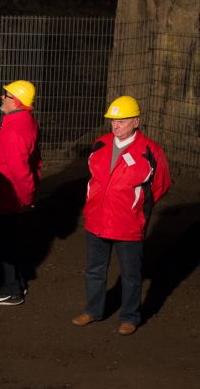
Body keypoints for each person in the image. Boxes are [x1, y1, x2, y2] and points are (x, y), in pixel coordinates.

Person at [72, 95, 170, 336]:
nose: (116, 126)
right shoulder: (101, 144)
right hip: (96, 219)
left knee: (130, 274)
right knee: (94, 269)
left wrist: (135, 206)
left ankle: (129, 317)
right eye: (113, 121)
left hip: (128, 223)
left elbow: (161, 184)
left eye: (122, 121)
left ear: (136, 122)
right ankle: (94, 310)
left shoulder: (150, 151)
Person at [0, 80, 42, 306]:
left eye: (6, 95)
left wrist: (27, 198)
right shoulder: (21, 122)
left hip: (5, 196)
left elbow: (20, 171)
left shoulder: (14, 131)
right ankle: (17, 283)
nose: (2, 98)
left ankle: (10, 290)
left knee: (3, 244)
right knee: (9, 241)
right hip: (6, 193)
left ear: (16, 101)